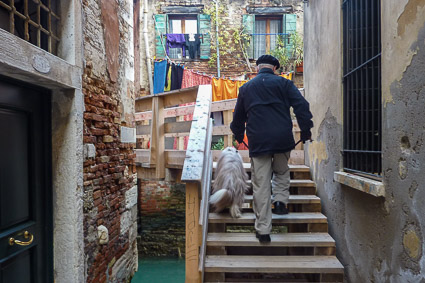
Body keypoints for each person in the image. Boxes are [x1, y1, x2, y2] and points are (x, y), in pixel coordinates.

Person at [230, 55, 313, 243]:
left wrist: (237, 135)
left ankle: (263, 230)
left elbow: (238, 117)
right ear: (275, 68)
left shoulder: (246, 88)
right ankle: (281, 202)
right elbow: (301, 106)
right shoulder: (285, 84)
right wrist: (306, 130)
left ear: (257, 68)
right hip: (283, 137)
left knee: (261, 184)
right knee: (282, 171)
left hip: (258, 140)